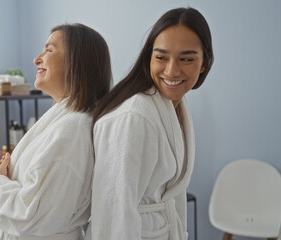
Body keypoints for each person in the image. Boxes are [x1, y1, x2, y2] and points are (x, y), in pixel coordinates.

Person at [0, 23, 112, 240]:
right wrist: (9, 175)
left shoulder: (72, 130)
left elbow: (32, 214)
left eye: (49, 50)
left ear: (77, 62)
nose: (37, 59)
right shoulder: (63, 121)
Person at [88, 7, 214, 240]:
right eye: (161, 57)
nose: (171, 70)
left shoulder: (172, 107)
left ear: (204, 62)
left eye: (186, 59)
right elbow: (114, 213)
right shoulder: (134, 117)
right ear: (149, 58)